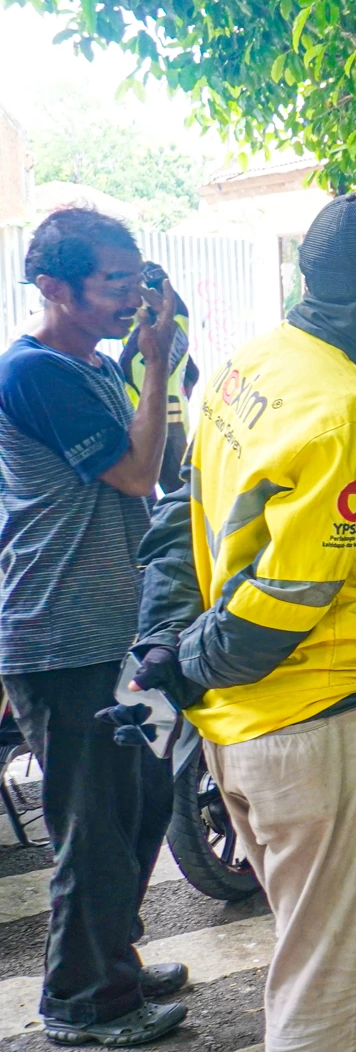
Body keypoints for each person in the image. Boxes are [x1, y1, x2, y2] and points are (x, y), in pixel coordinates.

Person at [129, 193, 356, 1052]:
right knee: (336, 975)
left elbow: (180, 512)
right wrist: (190, 661)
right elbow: (290, 598)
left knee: (337, 933)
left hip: (281, 726)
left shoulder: (256, 364)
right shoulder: (353, 407)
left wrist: (167, 647)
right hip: (326, 724)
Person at [0, 209, 185, 1047]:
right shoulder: (38, 374)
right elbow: (138, 472)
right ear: (53, 288)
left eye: (139, 277)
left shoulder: (87, 367)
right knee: (92, 829)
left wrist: (144, 363)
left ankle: (111, 956)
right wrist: (152, 367)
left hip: (108, 632)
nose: (132, 295)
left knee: (142, 802)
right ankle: (82, 1004)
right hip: (59, 636)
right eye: (115, 282)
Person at [116, 293, 198, 494]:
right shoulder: (171, 328)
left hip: (158, 425)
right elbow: (193, 374)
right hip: (170, 421)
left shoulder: (141, 349)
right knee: (181, 491)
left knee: (179, 493)